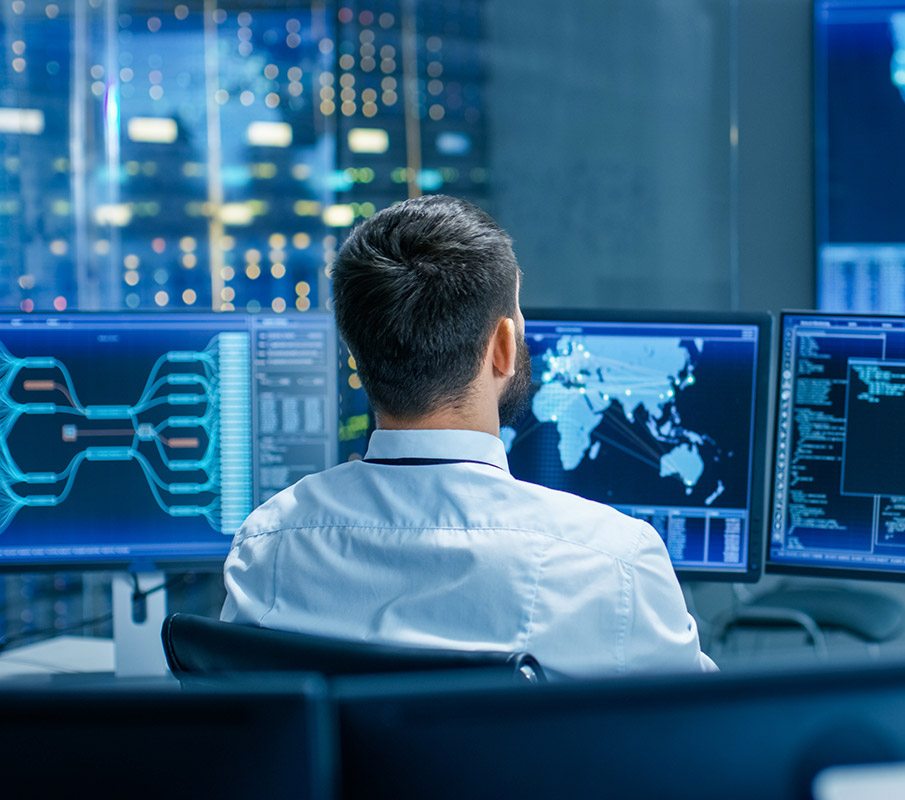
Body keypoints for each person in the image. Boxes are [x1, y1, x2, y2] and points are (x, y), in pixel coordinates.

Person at [221, 194, 716, 677]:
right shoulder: (613, 562)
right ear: (503, 347)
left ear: (358, 355)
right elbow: (701, 737)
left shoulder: (268, 547)